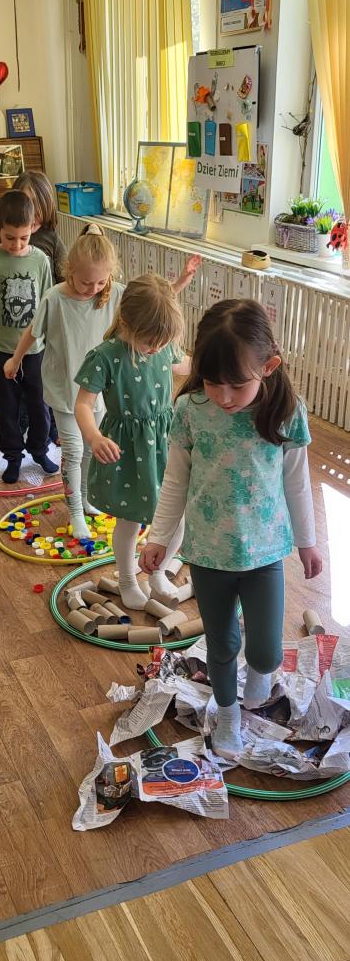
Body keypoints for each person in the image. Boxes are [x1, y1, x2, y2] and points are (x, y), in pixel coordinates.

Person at [139, 299, 322, 758]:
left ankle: (258, 681)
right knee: (221, 646)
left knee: (266, 651)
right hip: (208, 553)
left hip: (265, 552)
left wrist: (308, 542)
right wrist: (159, 537)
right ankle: (228, 716)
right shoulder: (191, 410)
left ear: (268, 367)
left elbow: (297, 483)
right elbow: (175, 480)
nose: (223, 396)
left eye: (237, 384)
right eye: (211, 381)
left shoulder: (285, 412)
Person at [7, 228, 192, 540]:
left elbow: (149, 304)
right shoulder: (55, 298)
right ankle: (75, 511)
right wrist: (15, 359)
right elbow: (32, 331)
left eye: (100, 282)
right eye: (86, 282)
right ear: (70, 270)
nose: (93, 289)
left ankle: (86, 499)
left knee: (92, 453)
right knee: (75, 449)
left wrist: (180, 284)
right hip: (65, 390)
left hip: (104, 390)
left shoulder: (115, 294)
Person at [74, 273, 196, 608]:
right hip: (127, 450)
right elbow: (82, 404)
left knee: (177, 515)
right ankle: (128, 579)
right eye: (150, 342)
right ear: (127, 323)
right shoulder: (105, 356)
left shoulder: (163, 346)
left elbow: (185, 365)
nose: (156, 348)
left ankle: (158, 573)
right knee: (131, 519)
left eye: (162, 342)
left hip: (165, 443)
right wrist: (94, 436)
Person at [0, 189, 58, 484]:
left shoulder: (41, 260)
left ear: (34, 227)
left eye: (24, 237)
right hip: (1, 350)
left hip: (36, 350)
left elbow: (49, 305)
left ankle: (39, 450)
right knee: (7, 408)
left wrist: (54, 346)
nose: (17, 244)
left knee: (40, 403)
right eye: (10, 237)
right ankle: (12, 457)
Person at [0, 170, 66, 282]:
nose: (34, 212)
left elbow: (66, 278)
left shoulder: (52, 239)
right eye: (28, 204)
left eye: (38, 204)